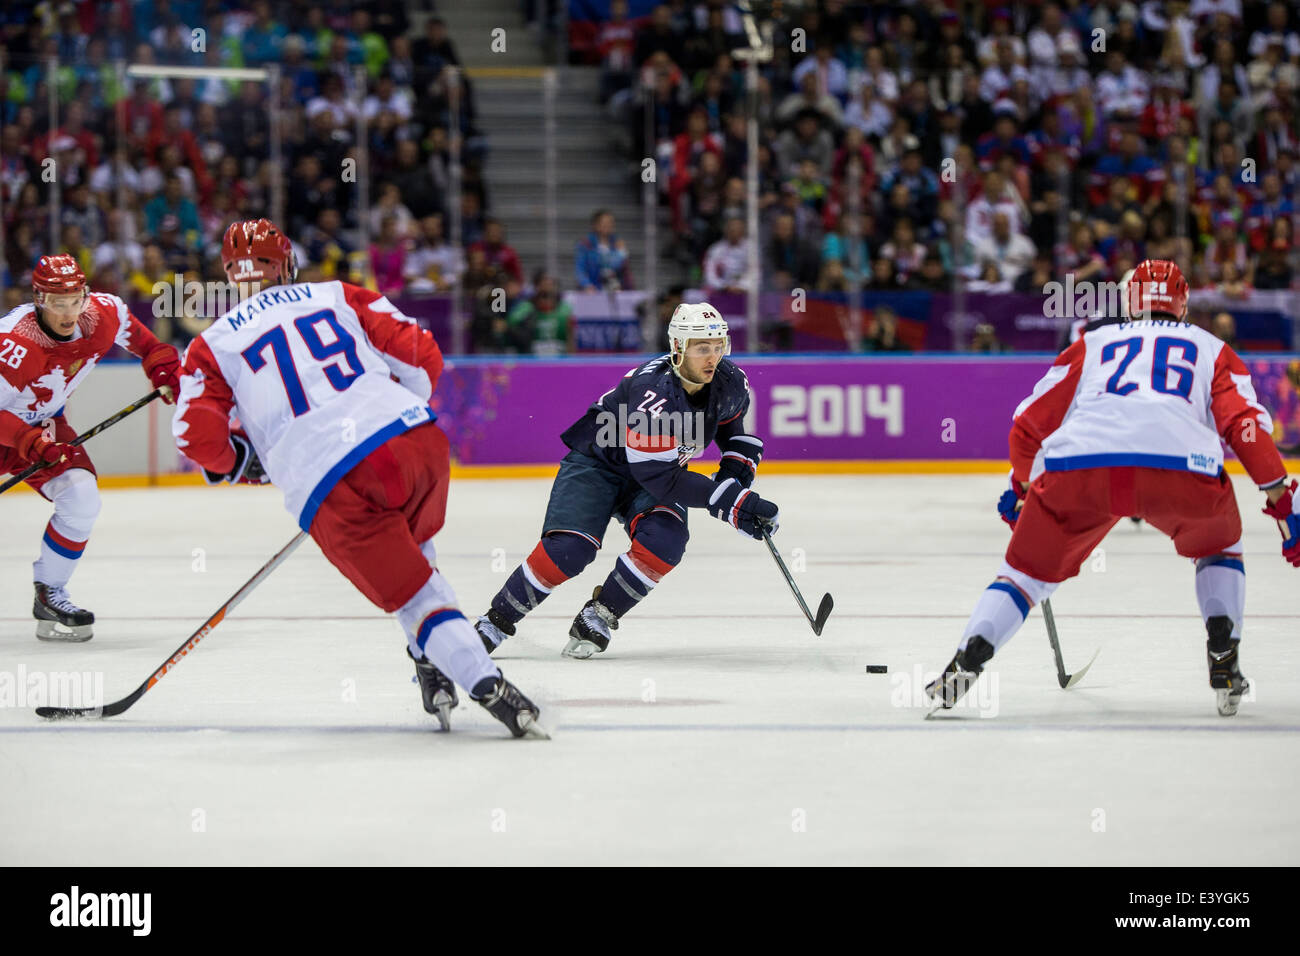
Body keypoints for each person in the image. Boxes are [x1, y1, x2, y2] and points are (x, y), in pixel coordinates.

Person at [172, 219, 545, 738]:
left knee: (415, 596)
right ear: (289, 263)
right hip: (416, 444)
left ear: (231, 277)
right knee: (414, 549)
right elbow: (422, 354)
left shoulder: (212, 344)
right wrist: (390, 410)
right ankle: (430, 660)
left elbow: (196, 435)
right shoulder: (337, 293)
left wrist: (240, 461)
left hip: (332, 481)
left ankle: (493, 689)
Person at [928, 260, 1299, 718]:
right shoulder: (1214, 349)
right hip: (1183, 472)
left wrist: (1021, 486)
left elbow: (1027, 426)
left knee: (1024, 576)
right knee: (1221, 547)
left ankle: (968, 659)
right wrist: (1282, 500)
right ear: (1183, 304)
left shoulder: (1092, 343)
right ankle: (1223, 654)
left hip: (1082, 469)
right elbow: (1244, 429)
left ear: (1130, 301)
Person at [474, 303, 779, 659]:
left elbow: (729, 423)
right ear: (678, 348)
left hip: (652, 471)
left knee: (665, 541)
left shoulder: (729, 380)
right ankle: (494, 622)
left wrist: (734, 471)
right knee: (570, 551)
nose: (712, 357)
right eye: (701, 348)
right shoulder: (656, 394)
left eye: (718, 346)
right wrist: (731, 503)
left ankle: (599, 614)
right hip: (598, 464)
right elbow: (662, 479)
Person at [0, 255, 181, 641]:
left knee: (81, 497)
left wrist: (163, 369)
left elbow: (150, 346)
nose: (68, 313)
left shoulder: (103, 313)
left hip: (43, 426)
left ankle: (49, 592)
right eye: (57, 302)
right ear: (38, 298)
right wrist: (30, 441)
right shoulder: (15, 343)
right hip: (10, 427)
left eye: (75, 299)